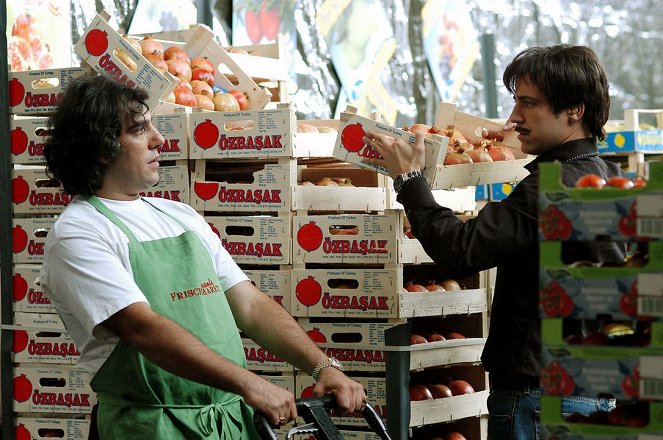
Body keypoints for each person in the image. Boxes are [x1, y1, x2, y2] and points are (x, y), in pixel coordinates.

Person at [40, 74, 365, 439]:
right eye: (138, 130)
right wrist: (248, 383)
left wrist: (323, 367)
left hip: (229, 424)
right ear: (101, 147)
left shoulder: (179, 215)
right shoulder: (79, 233)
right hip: (152, 428)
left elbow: (250, 306)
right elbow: (141, 329)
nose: (158, 139)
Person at [362, 45, 623, 439]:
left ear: (575, 110)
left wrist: (411, 181)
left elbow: (460, 251)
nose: (513, 118)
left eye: (528, 104)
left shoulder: (551, 189)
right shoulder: (604, 176)